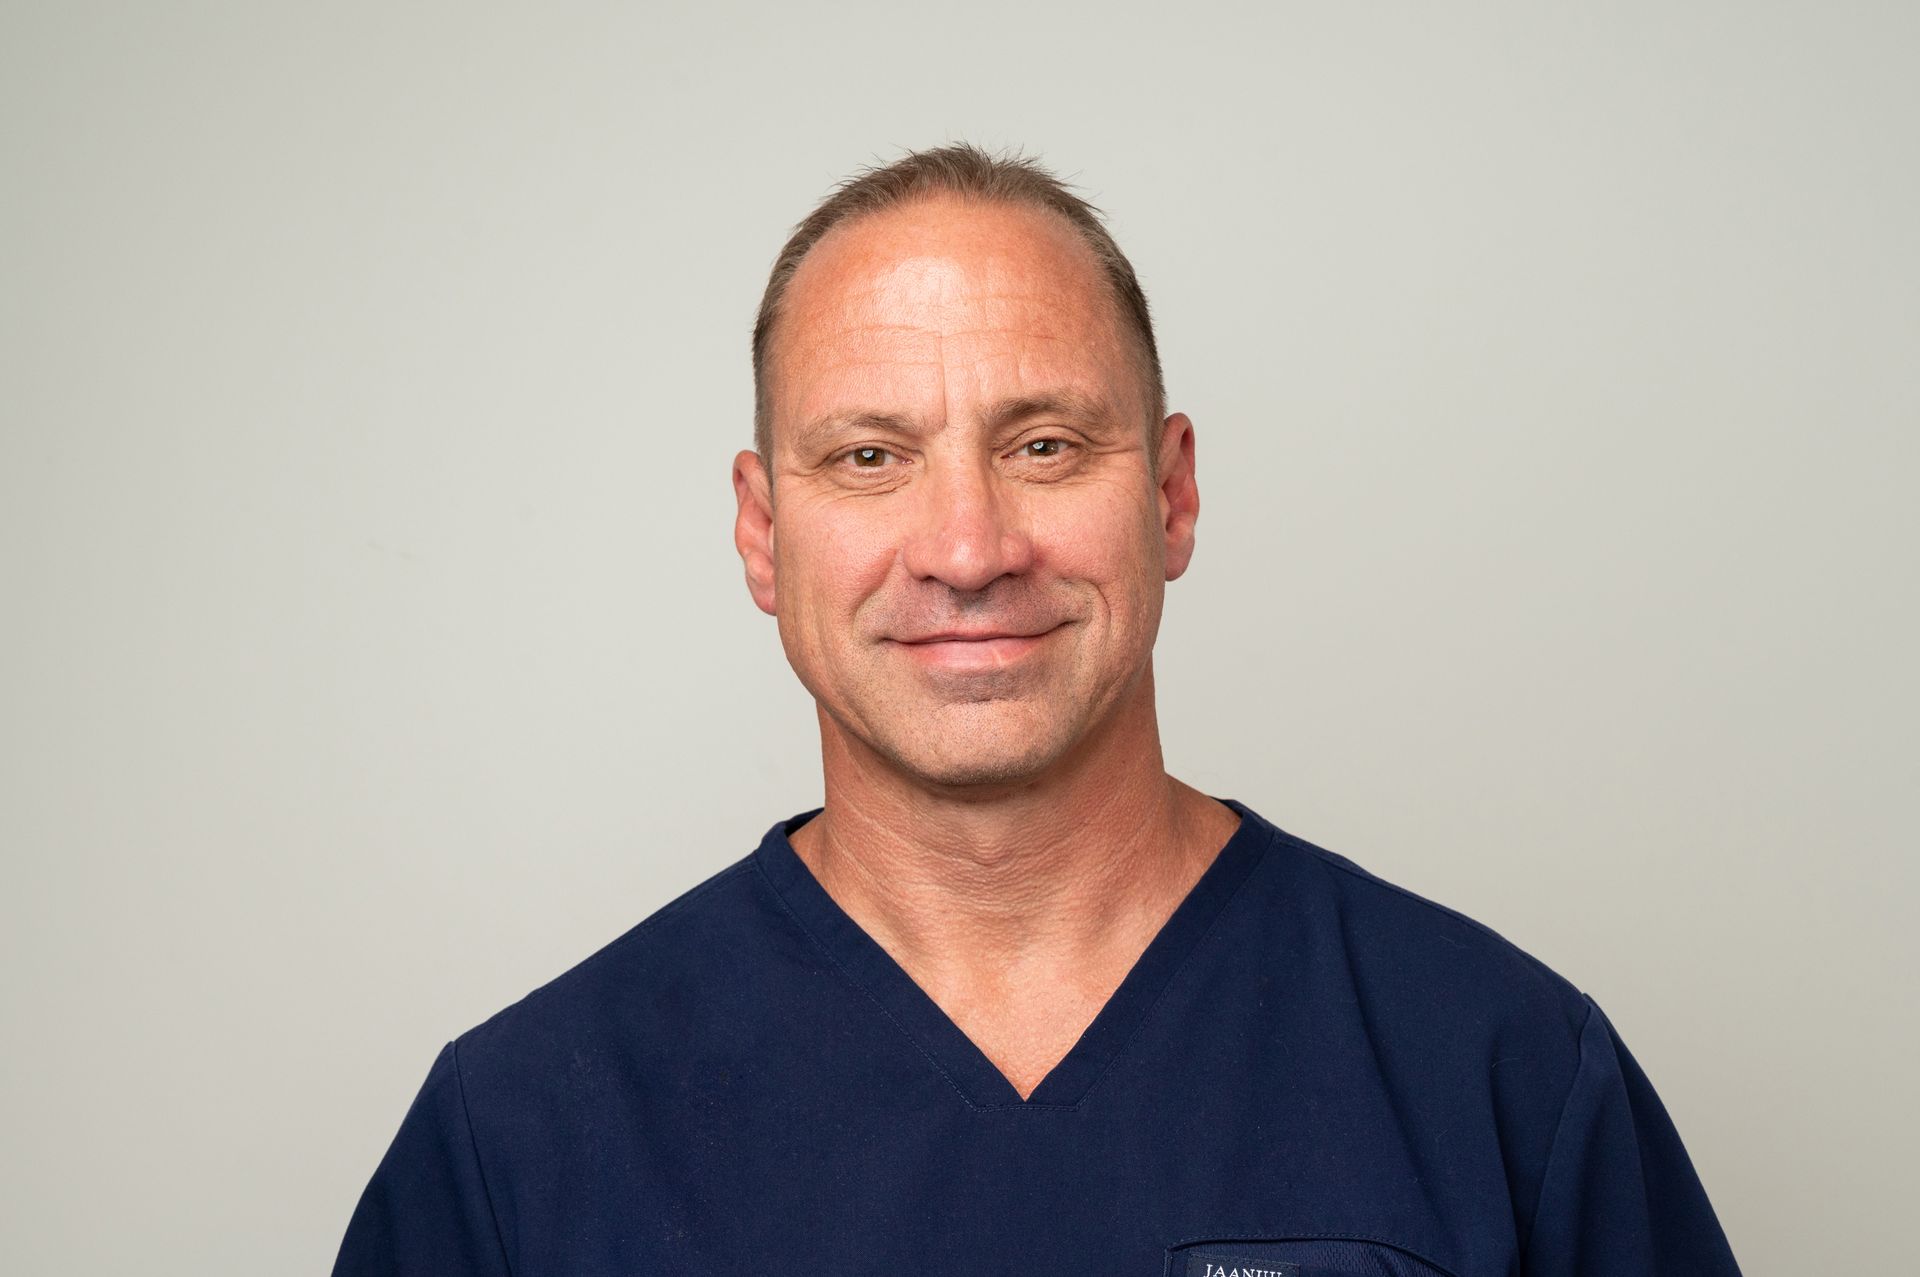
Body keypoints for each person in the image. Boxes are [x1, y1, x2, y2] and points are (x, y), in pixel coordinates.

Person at [332, 143, 1743, 1275]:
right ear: (763, 532)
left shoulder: (1499, 1074)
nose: (968, 544)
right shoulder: (521, 1142)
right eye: (870, 453)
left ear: (1170, 492)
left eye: (1045, 443)